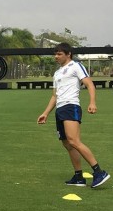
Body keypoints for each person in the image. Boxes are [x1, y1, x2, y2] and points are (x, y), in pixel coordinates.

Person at [37, 42, 109, 188]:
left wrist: (92, 102)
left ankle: (99, 172)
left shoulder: (76, 66)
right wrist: (45, 113)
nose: (56, 57)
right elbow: (54, 96)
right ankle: (78, 177)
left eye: (59, 54)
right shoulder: (57, 73)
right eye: (55, 54)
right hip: (60, 109)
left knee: (74, 140)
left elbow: (89, 84)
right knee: (67, 144)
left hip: (71, 106)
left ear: (68, 54)